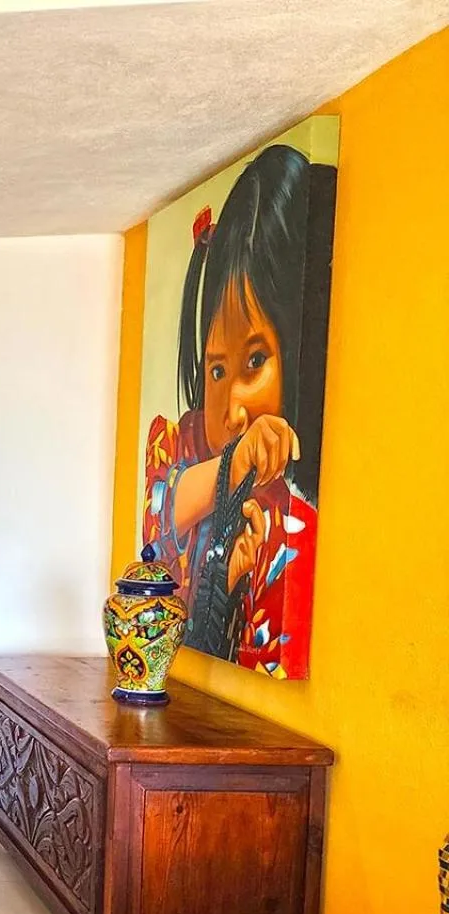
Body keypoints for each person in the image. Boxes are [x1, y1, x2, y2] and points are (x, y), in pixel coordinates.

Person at [142, 143, 334, 679]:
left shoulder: (292, 527)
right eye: (217, 370)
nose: (232, 410)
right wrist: (233, 468)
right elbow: (157, 527)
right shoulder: (183, 448)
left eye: (255, 361)